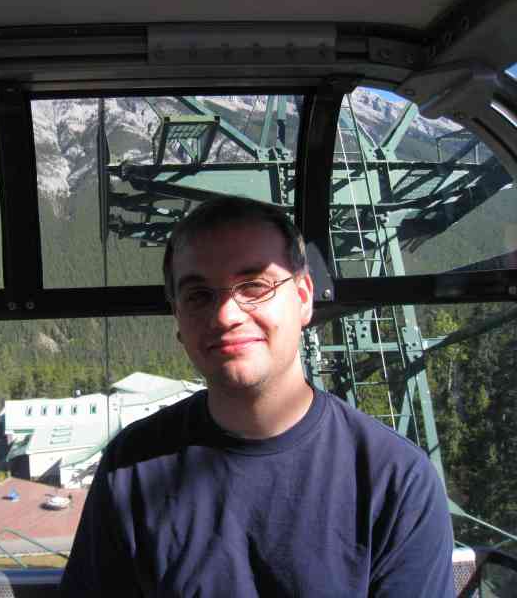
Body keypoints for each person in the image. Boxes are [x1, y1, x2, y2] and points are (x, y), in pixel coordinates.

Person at [60, 197, 454, 597]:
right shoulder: (133, 466)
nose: (227, 315)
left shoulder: (394, 481)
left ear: (303, 298)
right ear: (178, 319)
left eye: (254, 286)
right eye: (199, 296)